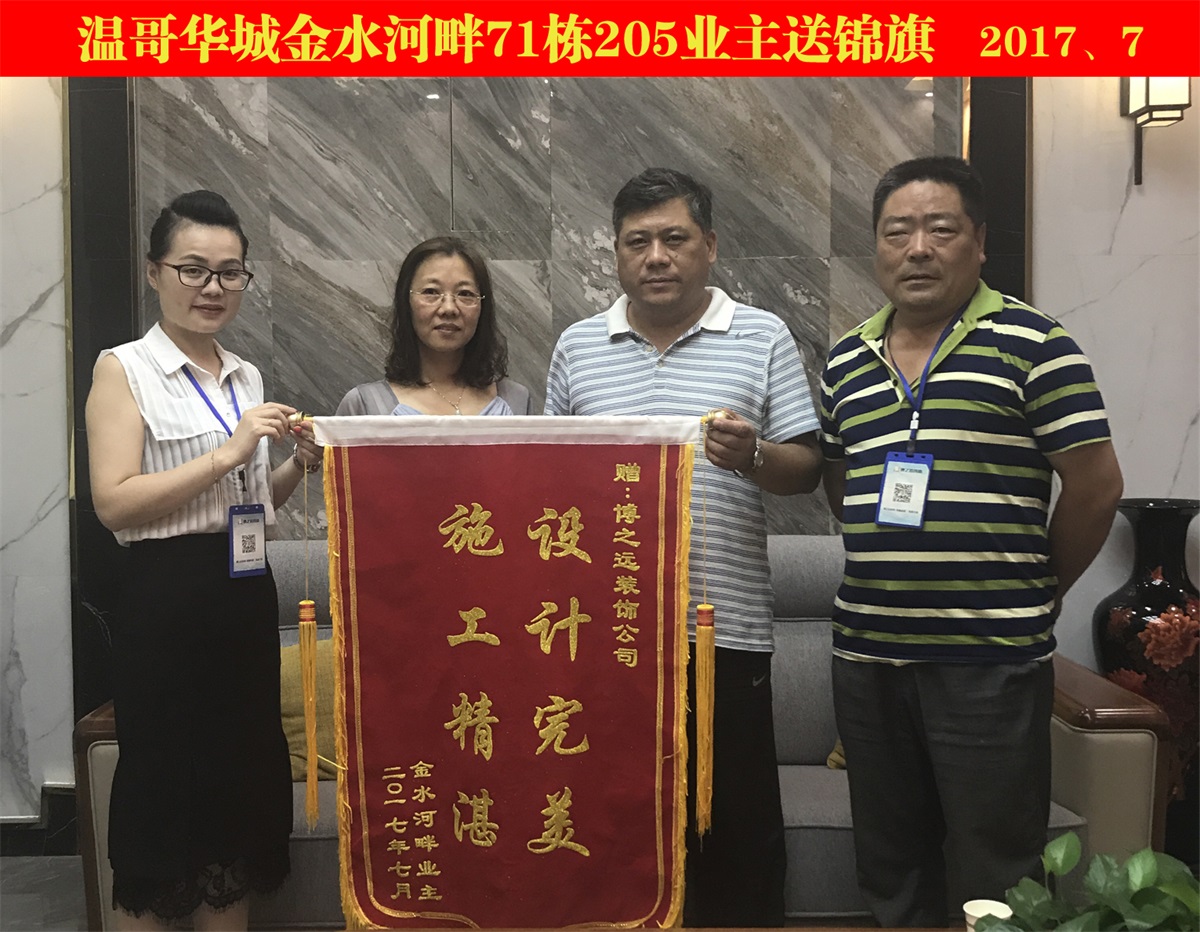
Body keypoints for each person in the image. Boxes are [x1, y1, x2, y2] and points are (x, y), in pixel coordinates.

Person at [819, 156, 1123, 927]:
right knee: (890, 859)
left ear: (980, 242)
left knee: (997, 864)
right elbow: (840, 483)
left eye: (940, 229)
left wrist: (1038, 590)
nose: (918, 248)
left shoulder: (1035, 344)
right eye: (898, 232)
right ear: (877, 246)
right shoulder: (847, 359)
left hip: (990, 660)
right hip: (868, 658)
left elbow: (1095, 488)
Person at [545, 167, 824, 927]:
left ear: (710, 246)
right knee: (613, 824)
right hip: (606, 635)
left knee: (734, 828)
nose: (656, 257)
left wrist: (753, 455)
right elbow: (551, 479)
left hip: (723, 629)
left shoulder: (762, 335)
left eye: (674, 239)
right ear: (615, 253)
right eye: (637, 242)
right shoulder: (578, 346)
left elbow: (806, 469)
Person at [85, 190, 322, 931]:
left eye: (230, 272)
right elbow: (114, 502)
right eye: (193, 269)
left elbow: (248, 507)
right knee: (165, 785)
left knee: (238, 786)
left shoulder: (243, 375)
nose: (213, 287)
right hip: (165, 601)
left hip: (242, 593)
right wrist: (228, 451)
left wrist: (297, 465)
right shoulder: (123, 370)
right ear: (155, 272)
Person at [336, 236, 531, 416]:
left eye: (465, 294)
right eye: (431, 292)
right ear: (406, 302)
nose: (448, 308)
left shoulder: (516, 401)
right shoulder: (365, 405)